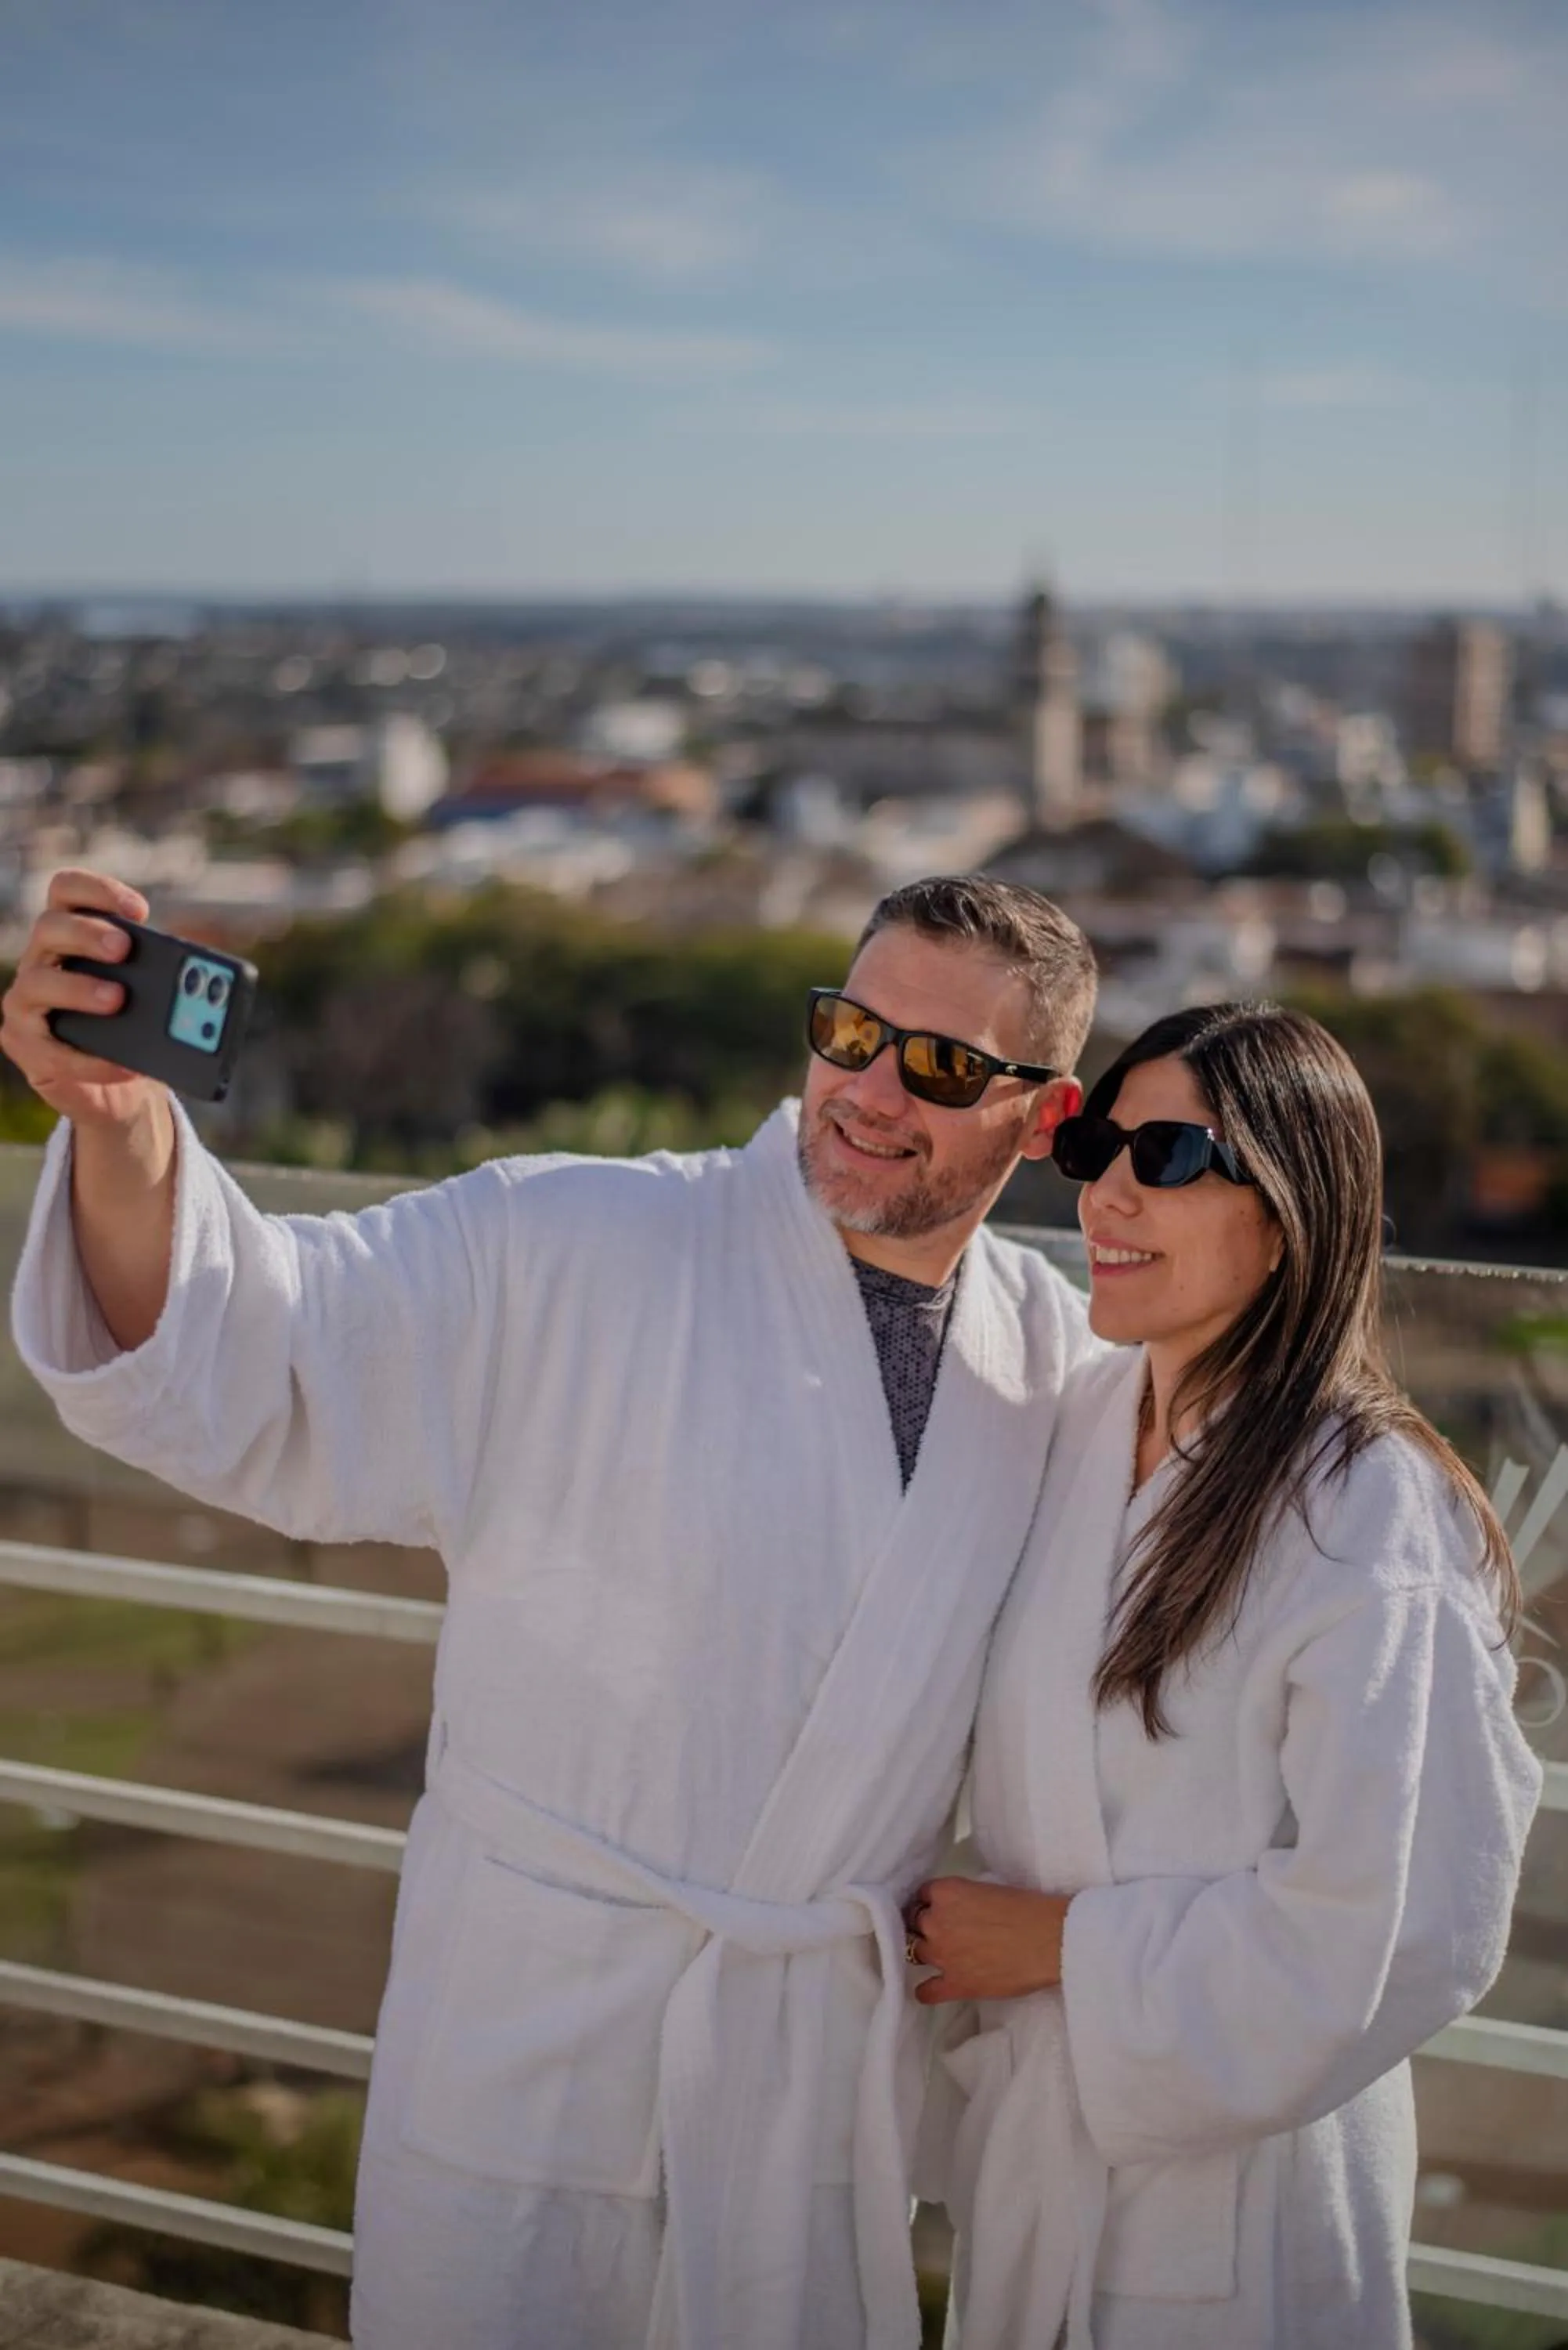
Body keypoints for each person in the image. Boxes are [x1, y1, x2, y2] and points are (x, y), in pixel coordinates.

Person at [2, 866, 1100, 2350]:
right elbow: (257, 1335)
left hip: (801, 2077)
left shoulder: (1051, 1372)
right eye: (851, 1030)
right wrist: (124, 1127)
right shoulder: (574, 1241)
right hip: (529, 2045)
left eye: (944, 1066)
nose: (872, 1089)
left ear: (1040, 1118)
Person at [905, 1003, 1541, 2350]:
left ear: (1291, 1207)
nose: (1111, 1191)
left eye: (1172, 1155)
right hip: (1041, 2173)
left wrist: (1054, 1948)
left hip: (1240, 2212)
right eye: (1095, 1147)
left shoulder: (1370, 1511)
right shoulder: (1077, 1424)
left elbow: (1411, 1921)